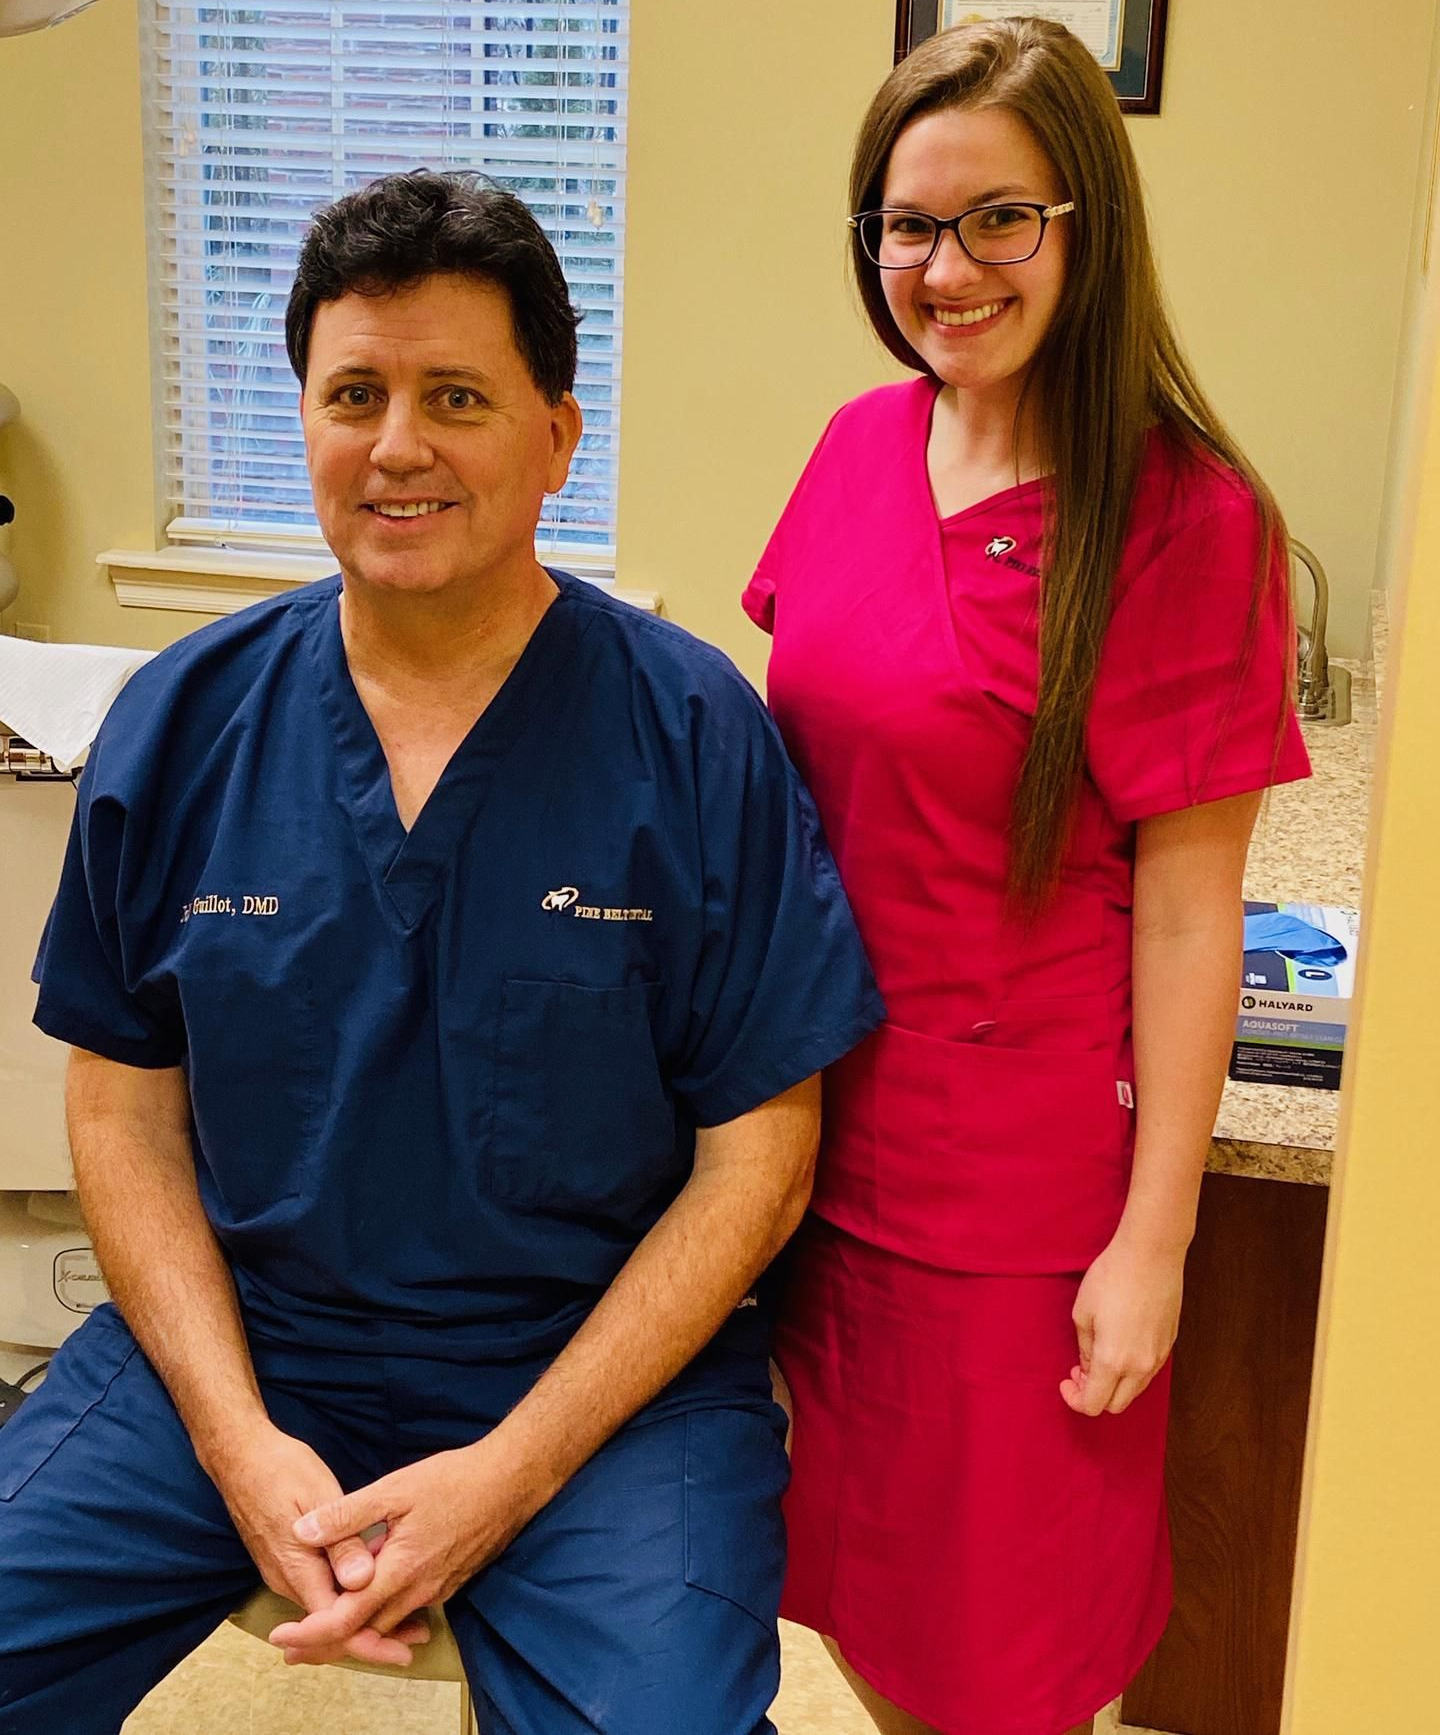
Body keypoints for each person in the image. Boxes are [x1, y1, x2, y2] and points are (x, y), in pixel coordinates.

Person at [0, 171, 883, 1735]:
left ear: (556, 433)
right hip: (246, 1339)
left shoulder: (691, 735)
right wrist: (232, 1435)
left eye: (455, 395)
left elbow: (764, 1158)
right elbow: (122, 1107)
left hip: (599, 1379)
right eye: (356, 394)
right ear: (306, 422)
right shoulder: (187, 723)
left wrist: (510, 1473)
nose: (397, 443)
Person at [742, 20, 1310, 1735]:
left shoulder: (1187, 520)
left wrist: (1159, 1236)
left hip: (1012, 1219)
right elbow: (792, 776)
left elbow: (1193, 914)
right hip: (800, 1157)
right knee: (838, 1599)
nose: (945, 266)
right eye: (907, 226)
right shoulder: (856, 447)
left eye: (1000, 218)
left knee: (991, 1673)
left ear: (1087, 226)